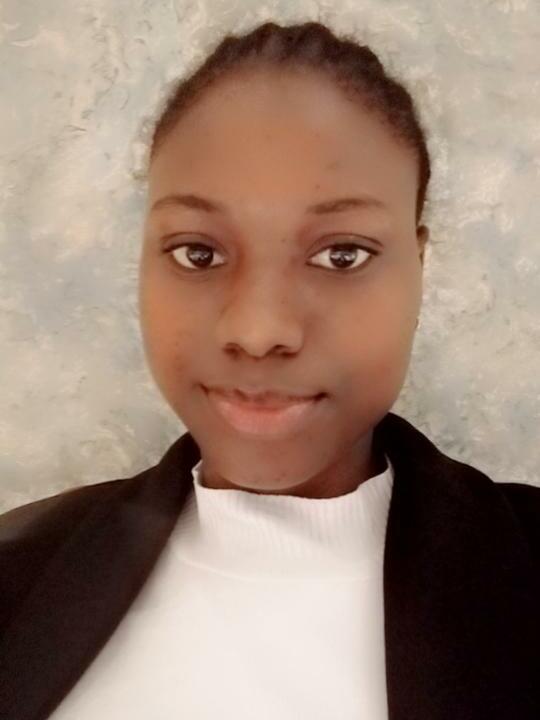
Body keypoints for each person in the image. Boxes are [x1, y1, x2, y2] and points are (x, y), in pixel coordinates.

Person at [0, 20, 538, 720]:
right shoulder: (20, 570)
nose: (258, 332)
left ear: (419, 264)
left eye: (341, 255)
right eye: (197, 253)